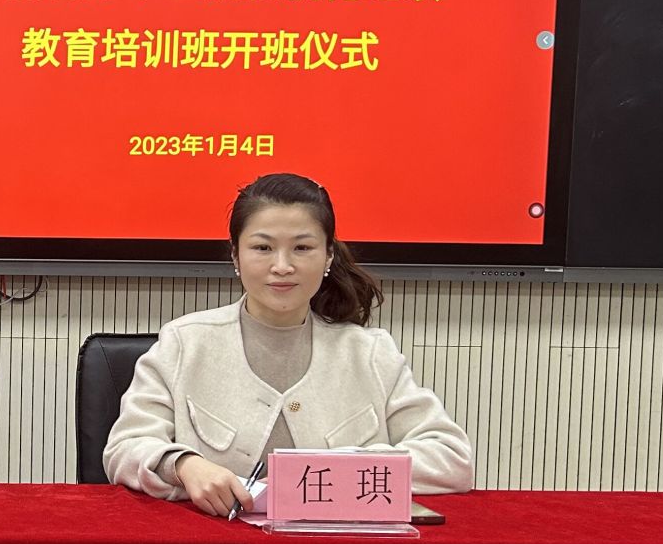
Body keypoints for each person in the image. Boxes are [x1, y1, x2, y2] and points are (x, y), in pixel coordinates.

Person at [103, 173, 473, 513]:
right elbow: (124, 448)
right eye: (263, 248)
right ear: (235, 255)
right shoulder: (184, 343)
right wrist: (184, 465)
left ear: (328, 255)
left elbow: (451, 458)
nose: (282, 266)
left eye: (302, 248)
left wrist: (342, 471)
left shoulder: (370, 353)